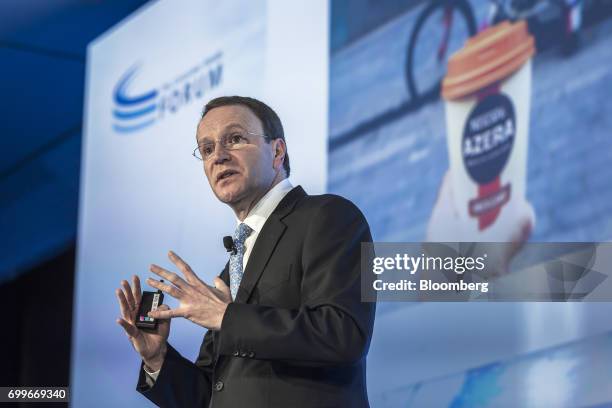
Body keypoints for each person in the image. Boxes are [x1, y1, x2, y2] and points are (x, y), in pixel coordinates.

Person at [115, 96, 375, 407]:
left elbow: (342, 335)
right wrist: (158, 359)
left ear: (277, 151)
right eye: (207, 148)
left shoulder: (326, 216)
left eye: (235, 139)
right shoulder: (234, 266)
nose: (218, 157)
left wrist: (227, 317)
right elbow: (212, 396)